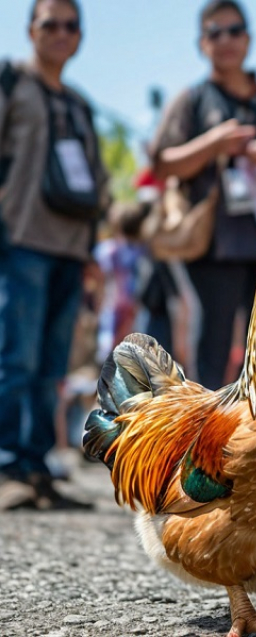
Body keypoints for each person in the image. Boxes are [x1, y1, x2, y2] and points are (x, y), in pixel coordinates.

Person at [151, 0, 256, 389]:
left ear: (248, 39)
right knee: (212, 343)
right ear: (202, 43)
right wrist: (212, 143)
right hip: (213, 242)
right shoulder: (193, 99)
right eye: (215, 32)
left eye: (234, 31)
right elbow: (162, 164)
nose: (226, 40)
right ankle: (204, 439)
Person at [0, 0, 109, 510]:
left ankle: (39, 467)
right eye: (51, 24)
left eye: (71, 25)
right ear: (30, 30)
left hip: (70, 249)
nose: (61, 33)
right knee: (15, 358)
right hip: (20, 240)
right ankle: (8, 465)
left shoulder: (81, 103)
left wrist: (91, 247)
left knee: (51, 367)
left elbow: (96, 179)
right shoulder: (12, 83)